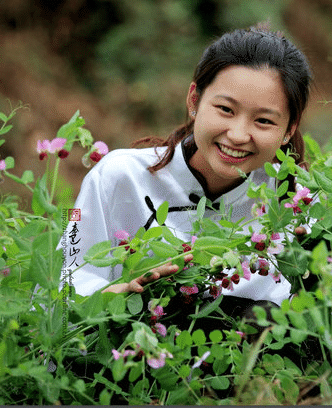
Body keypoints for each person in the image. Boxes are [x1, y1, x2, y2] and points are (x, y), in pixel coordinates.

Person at [62, 26, 311, 305]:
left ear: (289, 129)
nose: (239, 135)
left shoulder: (299, 210)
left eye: (263, 121)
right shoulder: (116, 176)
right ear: (194, 100)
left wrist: (312, 283)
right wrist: (117, 297)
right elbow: (60, 289)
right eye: (226, 110)